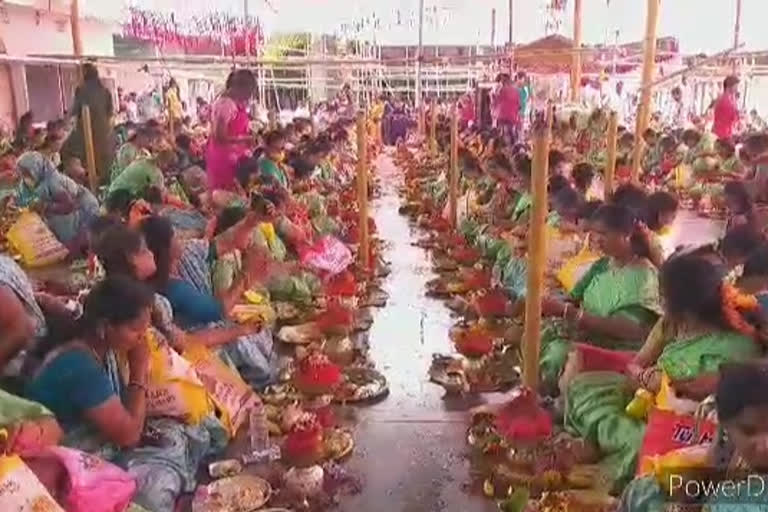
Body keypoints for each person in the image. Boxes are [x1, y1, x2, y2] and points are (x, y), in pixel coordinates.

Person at [25, 276, 225, 512]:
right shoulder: (79, 366)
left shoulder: (100, 347)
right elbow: (128, 436)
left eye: (144, 329)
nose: (142, 338)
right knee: (157, 482)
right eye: (134, 330)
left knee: (186, 431)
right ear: (104, 326)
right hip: (70, 466)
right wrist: (138, 370)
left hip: (103, 441)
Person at [140, 216, 277, 388]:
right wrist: (246, 276)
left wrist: (252, 219)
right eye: (175, 236)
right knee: (243, 342)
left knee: (258, 330)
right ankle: (261, 386)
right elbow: (218, 311)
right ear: (165, 249)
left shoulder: (188, 254)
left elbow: (228, 240)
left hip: (208, 332)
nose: (181, 237)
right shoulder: (172, 290)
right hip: (195, 349)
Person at [539, 204, 662, 388]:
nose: (595, 239)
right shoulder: (603, 264)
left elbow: (631, 330)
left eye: (603, 234)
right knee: (539, 333)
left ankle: (555, 405)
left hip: (619, 350)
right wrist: (546, 304)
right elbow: (574, 297)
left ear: (626, 235)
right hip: (588, 335)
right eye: (594, 233)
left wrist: (570, 313)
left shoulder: (644, 276)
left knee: (558, 354)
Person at [16, 151, 99, 252]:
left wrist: (44, 206)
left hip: (82, 205)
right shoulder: (29, 184)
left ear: (36, 169)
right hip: (61, 208)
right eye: (22, 174)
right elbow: (22, 200)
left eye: (27, 173)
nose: (24, 177)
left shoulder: (53, 182)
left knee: (77, 241)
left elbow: (69, 206)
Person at [61, 63, 115, 184]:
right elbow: (111, 114)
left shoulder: (81, 90)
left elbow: (74, 111)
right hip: (104, 136)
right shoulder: (105, 91)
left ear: (85, 74)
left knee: (65, 151)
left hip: (87, 133)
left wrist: (65, 123)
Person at [206, 69, 257, 191]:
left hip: (232, 156)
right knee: (227, 194)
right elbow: (219, 136)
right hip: (225, 159)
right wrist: (245, 139)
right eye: (249, 92)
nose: (249, 96)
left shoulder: (232, 103)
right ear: (241, 88)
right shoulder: (226, 105)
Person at [492, 73, 520, 144]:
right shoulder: (515, 90)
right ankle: (513, 146)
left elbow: (494, 102)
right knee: (510, 133)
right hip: (511, 117)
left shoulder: (499, 89)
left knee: (501, 134)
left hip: (501, 116)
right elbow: (518, 105)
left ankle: (502, 146)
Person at [712, 75, 740, 140]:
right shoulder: (725, 100)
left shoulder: (728, 99)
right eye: (736, 86)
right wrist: (737, 114)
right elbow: (731, 118)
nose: (737, 89)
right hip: (723, 133)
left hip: (723, 131)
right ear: (729, 86)